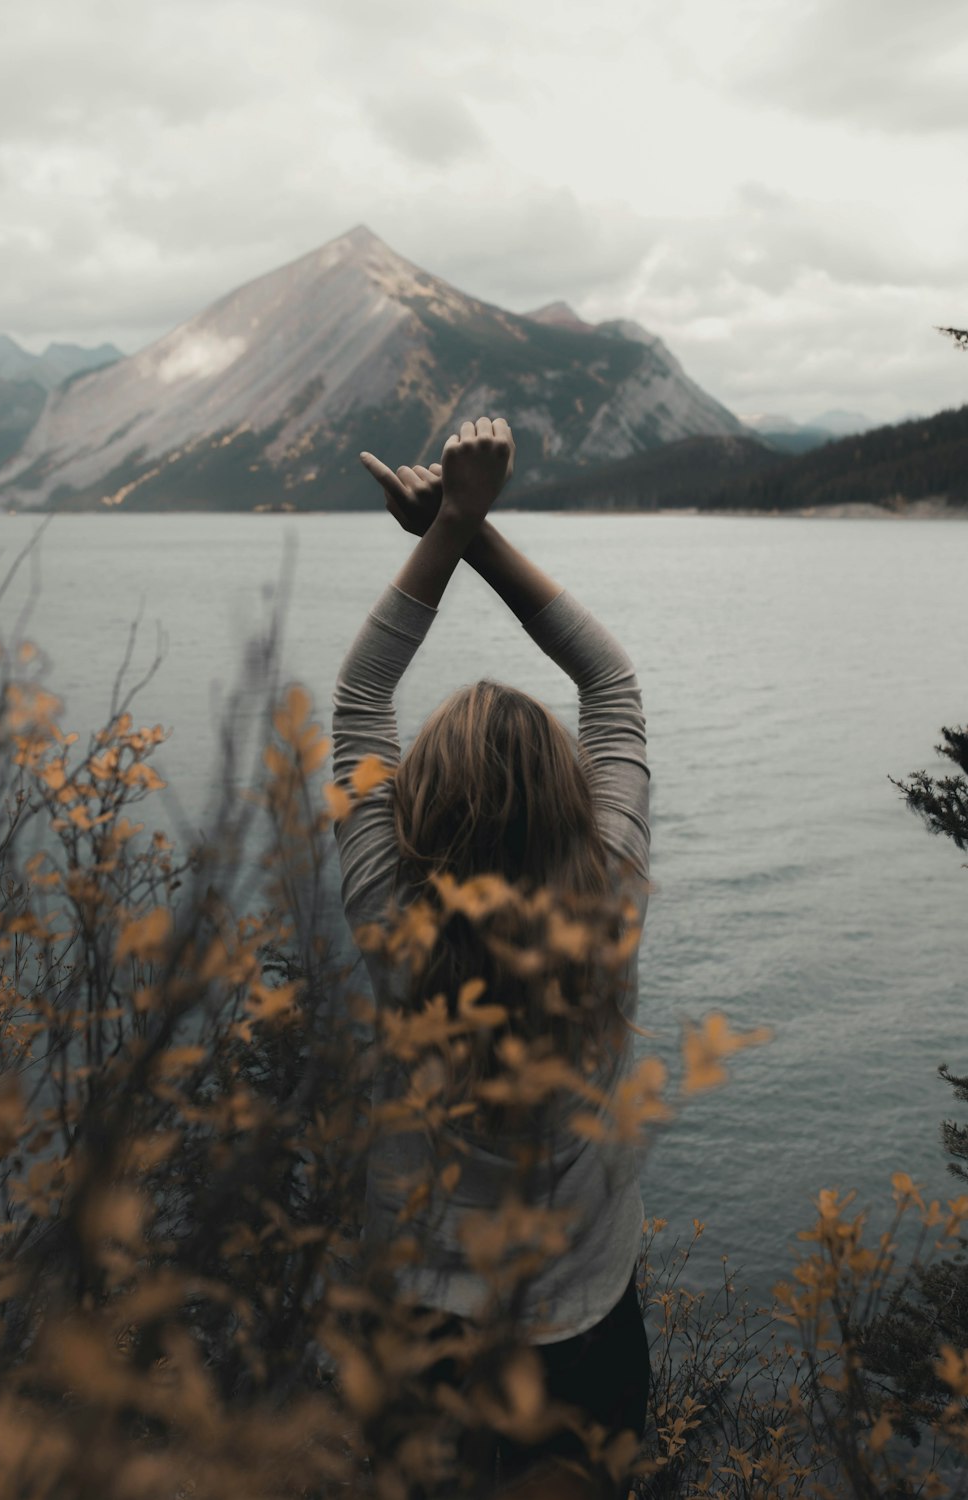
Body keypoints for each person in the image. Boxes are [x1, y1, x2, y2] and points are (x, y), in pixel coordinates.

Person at [331, 417, 652, 1498]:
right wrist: (471, 530)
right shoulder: (606, 900)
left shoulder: (387, 910)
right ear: (567, 803)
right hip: (584, 1335)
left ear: (418, 807)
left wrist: (451, 529)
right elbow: (608, 684)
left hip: (418, 1332)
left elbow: (359, 697)